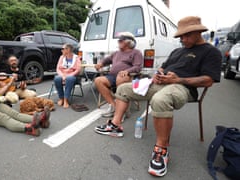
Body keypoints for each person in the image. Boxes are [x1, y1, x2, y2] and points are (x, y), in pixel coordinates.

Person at [94, 16, 222, 177]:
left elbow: (209, 80)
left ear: (198, 32)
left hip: (183, 87)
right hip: (161, 83)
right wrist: (159, 74)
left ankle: (161, 149)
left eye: (186, 35)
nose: (182, 39)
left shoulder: (211, 52)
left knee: (160, 100)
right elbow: (163, 67)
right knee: (124, 88)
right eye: (180, 36)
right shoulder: (178, 51)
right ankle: (115, 125)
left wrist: (178, 79)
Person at [94, 32, 143, 118]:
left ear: (129, 42)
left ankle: (122, 111)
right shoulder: (116, 53)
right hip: (112, 76)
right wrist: (100, 64)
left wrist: (127, 71)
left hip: (129, 77)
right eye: (119, 40)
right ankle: (114, 106)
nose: (119, 42)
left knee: (121, 77)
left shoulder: (136, 52)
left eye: (121, 40)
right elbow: (107, 60)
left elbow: (138, 66)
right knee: (98, 81)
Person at [54, 43, 81, 108]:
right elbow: (58, 68)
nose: (61, 50)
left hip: (73, 76)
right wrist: (62, 76)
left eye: (63, 49)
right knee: (57, 78)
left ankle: (66, 100)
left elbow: (78, 70)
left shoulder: (77, 58)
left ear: (68, 50)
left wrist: (67, 76)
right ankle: (61, 98)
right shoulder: (61, 57)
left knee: (69, 78)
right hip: (63, 75)